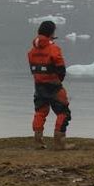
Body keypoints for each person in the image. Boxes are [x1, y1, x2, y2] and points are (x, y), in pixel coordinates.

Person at [28, 20, 72, 151]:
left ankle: (38, 141)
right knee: (63, 112)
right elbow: (61, 68)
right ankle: (59, 143)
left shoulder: (32, 51)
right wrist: (58, 80)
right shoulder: (54, 49)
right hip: (54, 86)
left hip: (39, 85)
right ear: (51, 32)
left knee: (40, 112)